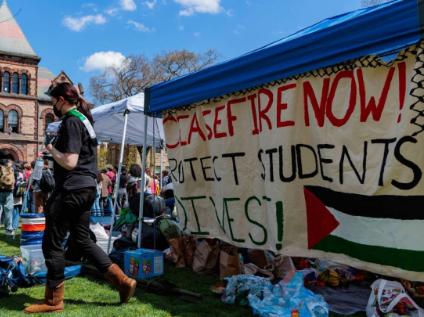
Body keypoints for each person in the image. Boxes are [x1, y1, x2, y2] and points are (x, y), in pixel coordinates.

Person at [24, 82, 136, 314]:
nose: (52, 105)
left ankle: (54, 301)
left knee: (52, 244)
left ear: (61, 100)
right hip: (86, 189)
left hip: (71, 190)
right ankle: (123, 281)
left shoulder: (71, 121)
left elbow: (70, 161)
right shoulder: (85, 120)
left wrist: (51, 150)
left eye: (53, 101)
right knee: (82, 239)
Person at [0, 150, 15, 236]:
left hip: (0, 189)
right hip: (9, 190)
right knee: (8, 210)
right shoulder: (10, 166)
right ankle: (8, 229)